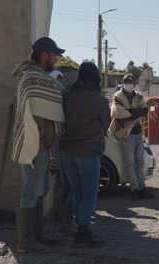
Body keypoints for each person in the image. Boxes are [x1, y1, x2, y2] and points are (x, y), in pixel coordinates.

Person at [11, 37, 66, 254]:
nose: (56, 58)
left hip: (42, 145)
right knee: (30, 192)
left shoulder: (38, 76)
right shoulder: (32, 77)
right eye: (54, 55)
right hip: (33, 144)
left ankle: (37, 236)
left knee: (40, 190)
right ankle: (26, 242)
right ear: (45, 55)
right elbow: (50, 99)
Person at [60, 62, 111, 247]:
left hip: (66, 150)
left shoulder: (67, 96)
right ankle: (82, 231)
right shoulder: (99, 100)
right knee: (89, 193)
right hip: (88, 151)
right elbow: (106, 124)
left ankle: (68, 224)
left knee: (75, 190)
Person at [109, 74, 154, 201]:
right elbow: (118, 113)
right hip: (125, 133)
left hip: (137, 133)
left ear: (134, 83)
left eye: (131, 81)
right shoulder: (118, 96)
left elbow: (144, 110)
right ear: (123, 83)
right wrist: (136, 112)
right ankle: (134, 188)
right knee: (130, 162)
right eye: (127, 81)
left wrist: (129, 112)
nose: (129, 83)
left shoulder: (138, 95)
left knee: (139, 161)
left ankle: (142, 187)